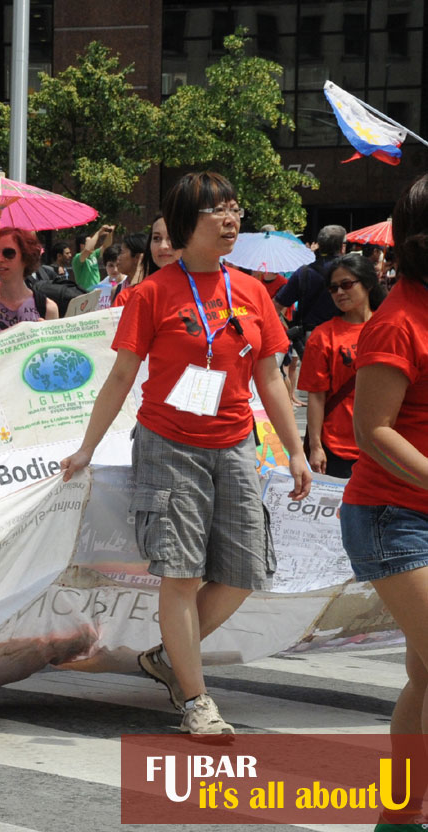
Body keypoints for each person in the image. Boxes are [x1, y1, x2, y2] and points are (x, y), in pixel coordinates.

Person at [60, 171, 310, 736]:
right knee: (180, 573)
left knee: (245, 570)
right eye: (216, 212)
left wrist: (295, 450)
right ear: (183, 226)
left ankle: (169, 657)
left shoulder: (250, 291)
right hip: (169, 446)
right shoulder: (150, 294)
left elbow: (269, 377)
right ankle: (196, 701)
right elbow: (122, 374)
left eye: (234, 208)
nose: (230, 220)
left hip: (236, 445)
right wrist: (86, 448)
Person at [338, 174, 428, 827]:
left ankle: (397, 818)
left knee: (424, 677)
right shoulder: (395, 321)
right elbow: (371, 431)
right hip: (390, 520)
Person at [299, 253, 385, 479]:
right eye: (333, 288)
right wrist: (316, 447)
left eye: (346, 284)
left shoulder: (390, 328)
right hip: (337, 449)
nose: (339, 292)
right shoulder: (323, 336)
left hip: (387, 446)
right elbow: (316, 396)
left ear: (367, 283)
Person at [0, 226, 58, 347]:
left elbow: (52, 359)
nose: (0, 259)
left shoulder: (47, 307)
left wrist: (46, 339)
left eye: (8, 253)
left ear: (26, 257)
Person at [113, 216, 179, 308]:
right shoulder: (128, 297)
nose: (163, 246)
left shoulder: (200, 287)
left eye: (171, 238)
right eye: (156, 238)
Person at [71, 224, 117, 292]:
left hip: (96, 291)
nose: (93, 244)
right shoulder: (77, 258)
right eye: (90, 241)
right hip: (84, 293)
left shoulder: (94, 254)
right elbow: (87, 249)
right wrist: (98, 233)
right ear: (81, 245)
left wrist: (110, 233)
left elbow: (105, 246)